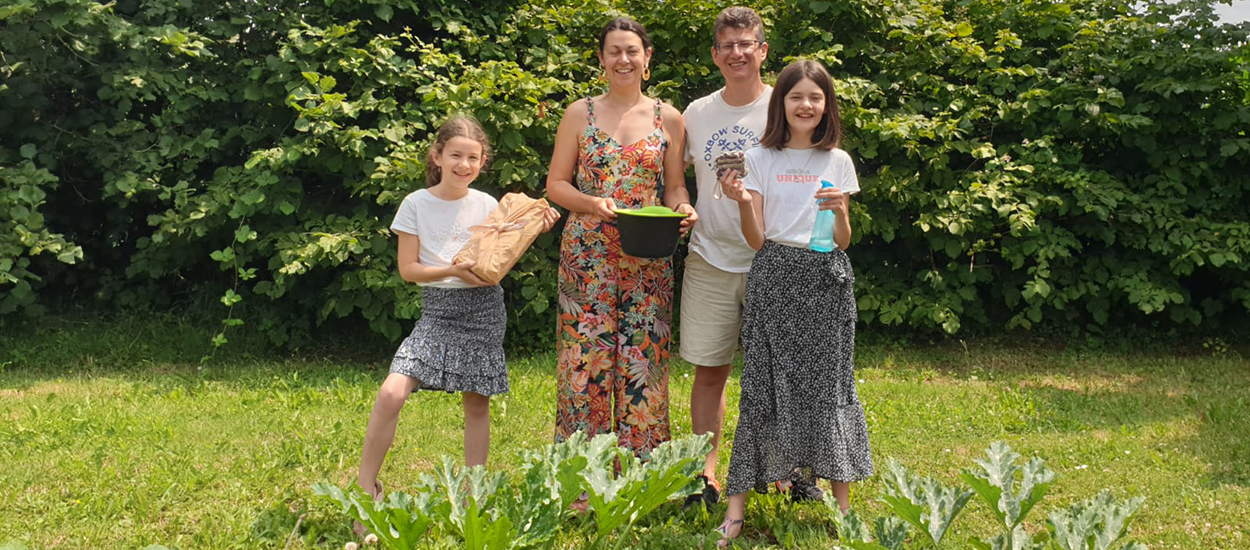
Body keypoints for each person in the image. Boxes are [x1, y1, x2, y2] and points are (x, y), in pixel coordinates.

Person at [356, 115, 559, 528]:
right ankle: (366, 490)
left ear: (483, 162)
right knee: (392, 392)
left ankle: (473, 496)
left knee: (476, 402)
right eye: (455, 156)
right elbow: (409, 270)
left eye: (473, 157)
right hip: (437, 312)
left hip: (483, 310)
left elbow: (499, 255)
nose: (464, 165)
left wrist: (538, 224)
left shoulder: (487, 205)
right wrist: (452, 270)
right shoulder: (415, 203)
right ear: (438, 156)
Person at [715, 60, 874, 546]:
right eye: (796, 97)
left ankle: (843, 510)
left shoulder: (838, 161)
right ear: (780, 104)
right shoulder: (759, 157)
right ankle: (735, 512)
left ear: (827, 106)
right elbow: (757, 240)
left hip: (826, 279)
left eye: (816, 97)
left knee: (829, 390)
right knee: (762, 389)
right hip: (774, 276)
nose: (806, 105)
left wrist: (842, 212)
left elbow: (842, 241)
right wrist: (743, 201)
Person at [680, 6, 825, 509]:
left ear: (763, 50)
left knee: (790, 368)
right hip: (711, 259)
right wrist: (680, 205)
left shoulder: (785, 106)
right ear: (716, 54)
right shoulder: (695, 114)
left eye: (748, 43)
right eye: (728, 45)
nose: (738, 52)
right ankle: (706, 476)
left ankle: (795, 472)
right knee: (710, 370)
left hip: (782, 259)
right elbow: (677, 179)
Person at [546, 16, 697, 460]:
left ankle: (643, 475)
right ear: (601, 59)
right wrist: (593, 204)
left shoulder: (668, 117)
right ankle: (579, 478)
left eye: (632, 50)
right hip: (586, 258)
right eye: (614, 51)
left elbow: (674, 187)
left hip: (647, 256)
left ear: (647, 58)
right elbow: (556, 184)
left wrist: (683, 208)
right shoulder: (579, 113)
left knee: (643, 364)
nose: (624, 59)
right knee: (583, 363)